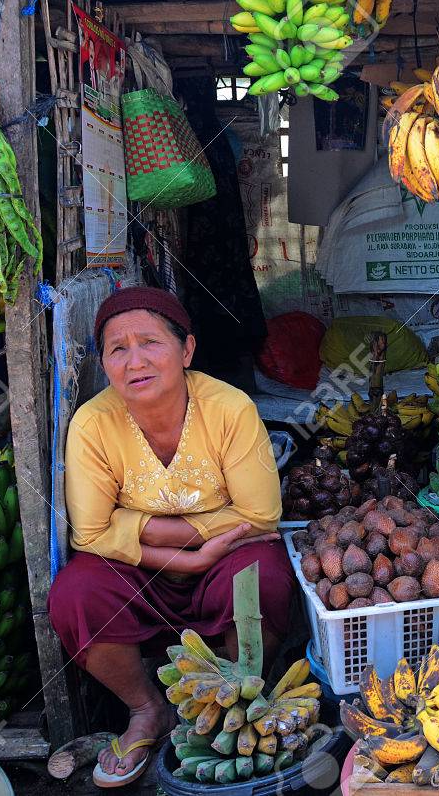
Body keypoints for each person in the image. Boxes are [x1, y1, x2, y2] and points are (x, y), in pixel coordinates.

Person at [48, 286, 295, 788]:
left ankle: (230, 699)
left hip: (227, 557)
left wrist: (195, 550)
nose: (135, 360)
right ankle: (147, 711)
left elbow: (261, 512)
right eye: (117, 349)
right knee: (76, 593)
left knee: (261, 573)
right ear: (105, 363)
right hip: (143, 570)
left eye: (151, 343)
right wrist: (189, 554)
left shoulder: (229, 408)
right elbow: (90, 532)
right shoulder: (94, 424)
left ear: (186, 350)